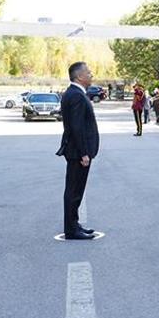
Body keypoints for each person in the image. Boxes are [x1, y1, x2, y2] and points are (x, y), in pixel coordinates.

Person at [56, 62, 100, 240]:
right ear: (79, 76)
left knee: (76, 190)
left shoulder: (76, 93)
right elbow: (77, 127)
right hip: (77, 152)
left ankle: (74, 224)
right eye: (88, 72)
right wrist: (84, 153)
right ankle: (71, 230)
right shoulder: (75, 95)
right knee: (74, 191)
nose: (91, 74)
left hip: (77, 151)